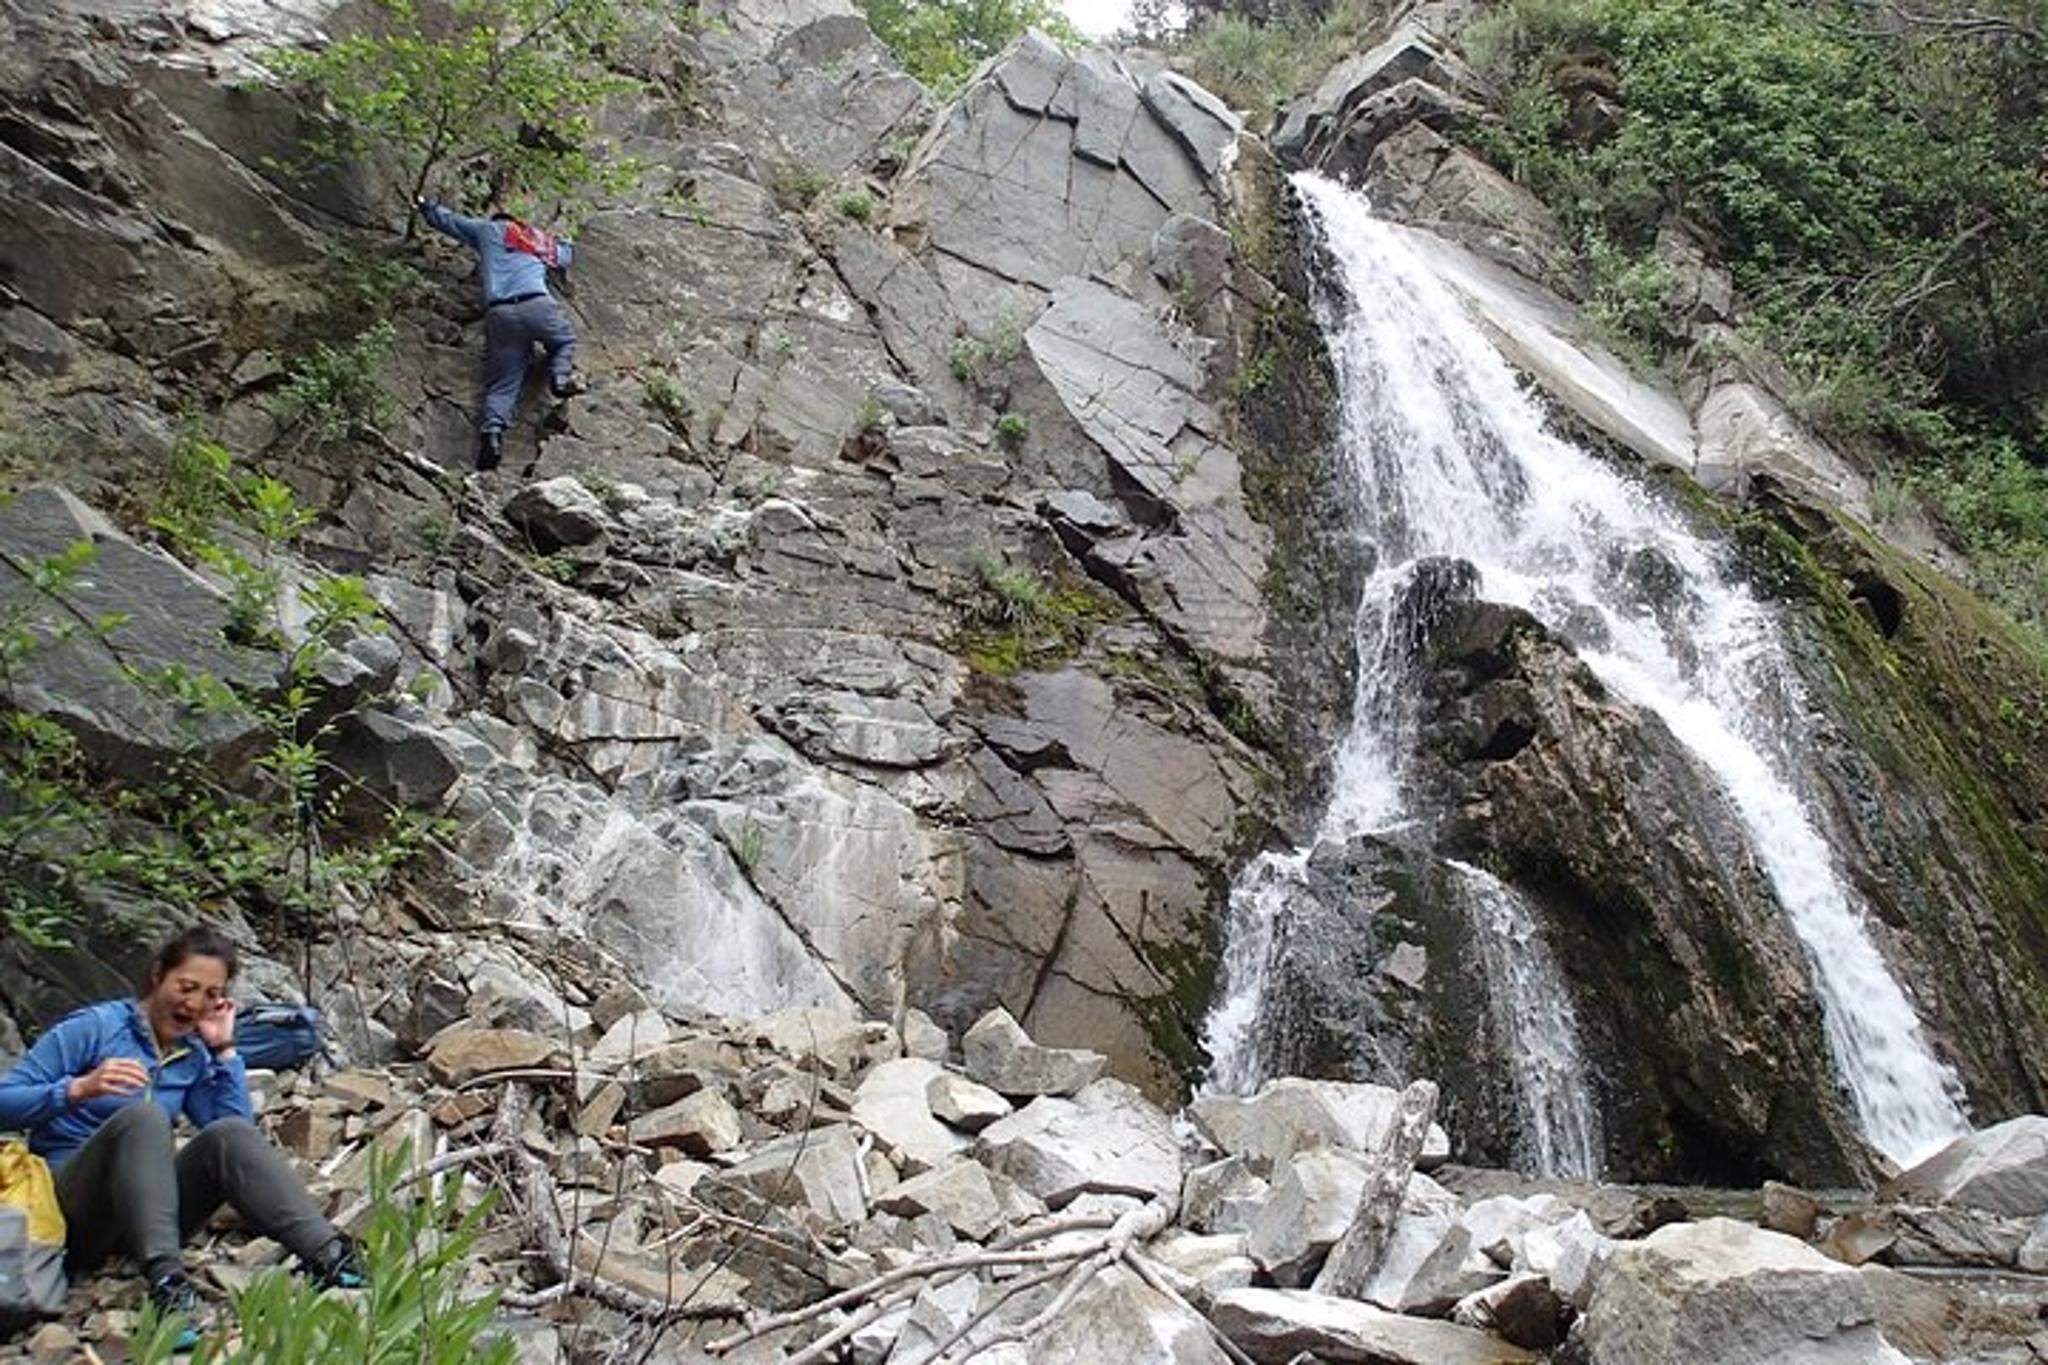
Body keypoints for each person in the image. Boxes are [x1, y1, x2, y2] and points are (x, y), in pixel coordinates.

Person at [0, 925, 360, 1340]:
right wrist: (77, 1089)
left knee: (226, 1135)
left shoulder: (193, 1052)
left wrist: (224, 1053)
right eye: (186, 987)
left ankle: (332, 1258)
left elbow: (236, 1134)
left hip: (145, 1213)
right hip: (72, 1211)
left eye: (210, 994)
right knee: (145, 1118)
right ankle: (168, 1287)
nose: (194, 1004)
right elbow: (7, 1100)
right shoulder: (95, 1028)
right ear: (157, 976)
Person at [416, 196, 586, 472]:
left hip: (501, 314)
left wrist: (426, 206)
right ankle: (559, 377)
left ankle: (492, 439)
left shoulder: (487, 230)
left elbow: (450, 222)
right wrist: (564, 239)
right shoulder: (537, 240)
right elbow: (567, 255)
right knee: (564, 340)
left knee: (504, 380)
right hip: (537, 305)